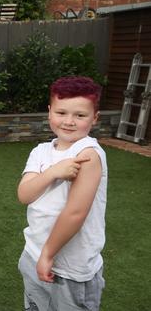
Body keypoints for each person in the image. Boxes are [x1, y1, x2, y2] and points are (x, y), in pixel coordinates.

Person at [16, 76, 107, 311]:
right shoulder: (41, 151)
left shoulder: (88, 154)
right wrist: (53, 172)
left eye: (80, 115)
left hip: (70, 267)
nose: (69, 121)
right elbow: (25, 194)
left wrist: (48, 254)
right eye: (61, 112)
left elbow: (75, 212)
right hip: (33, 254)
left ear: (95, 118)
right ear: (49, 112)